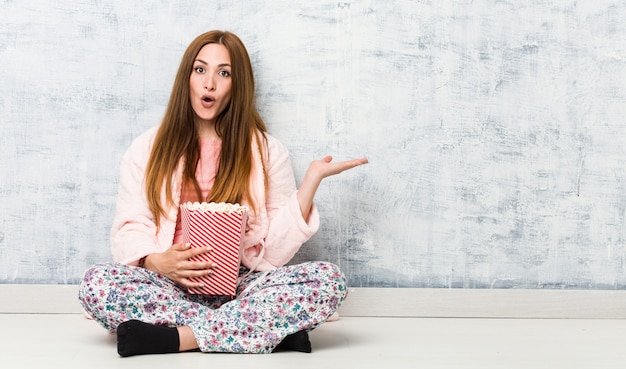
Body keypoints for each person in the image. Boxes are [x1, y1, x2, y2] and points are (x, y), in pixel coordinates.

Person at [78, 30, 368, 357]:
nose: (209, 83)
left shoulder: (268, 151)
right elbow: (130, 225)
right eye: (200, 70)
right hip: (170, 287)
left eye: (224, 73)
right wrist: (156, 261)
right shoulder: (147, 148)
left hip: (242, 287)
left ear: (237, 85)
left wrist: (309, 185)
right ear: (186, 76)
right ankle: (265, 333)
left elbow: (273, 256)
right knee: (97, 283)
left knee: (328, 280)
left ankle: (178, 338)